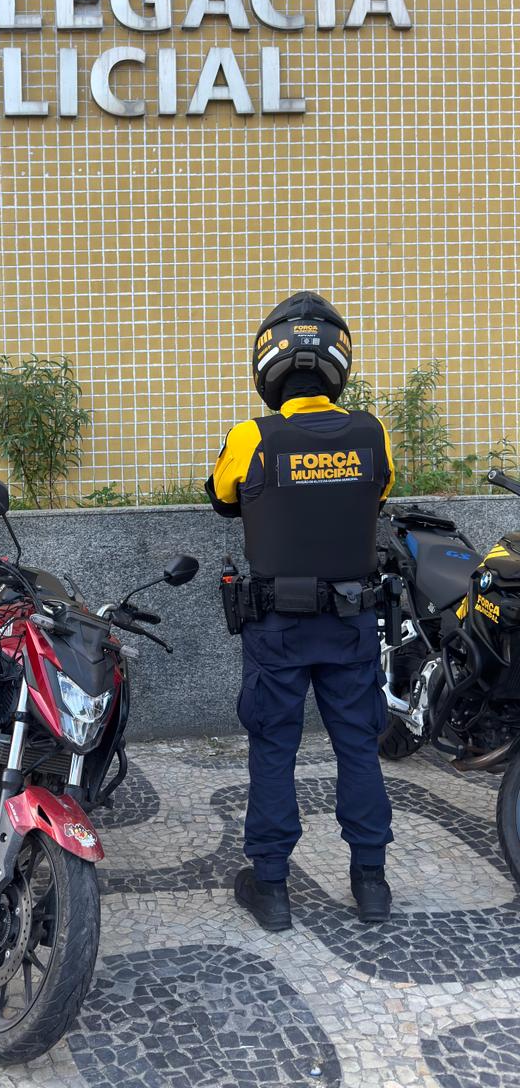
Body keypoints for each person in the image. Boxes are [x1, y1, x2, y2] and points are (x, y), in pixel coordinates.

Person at [206, 291, 395, 930]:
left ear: (269, 364)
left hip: (277, 629)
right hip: (350, 624)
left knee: (274, 748)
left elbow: (223, 498)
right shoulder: (371, 433)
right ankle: (371, 882)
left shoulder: (251, 437)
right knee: (359, 747)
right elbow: (377, 492)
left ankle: (272, 888)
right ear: (338, 363)